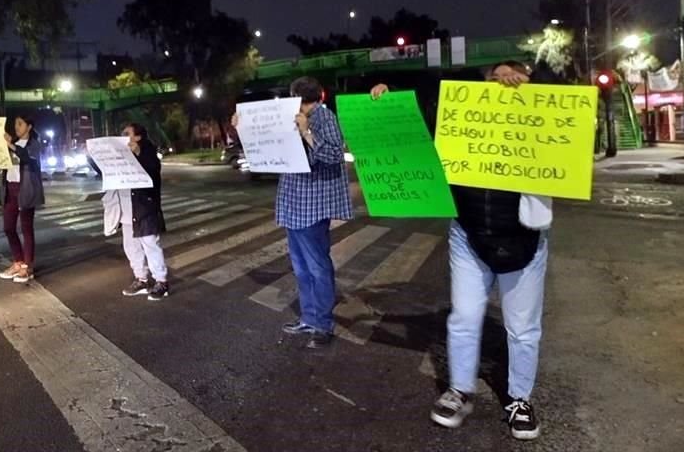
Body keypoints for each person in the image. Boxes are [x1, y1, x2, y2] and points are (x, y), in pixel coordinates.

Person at [371, 60, 550, 441]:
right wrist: (386, 106)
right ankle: (460, 390)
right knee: (465, 317)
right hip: (468, 235)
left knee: (522, 329)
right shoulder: (461, 122)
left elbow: (575, 112)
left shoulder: (542, 120)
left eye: (511, 76)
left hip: (524, 238)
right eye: (493, 77)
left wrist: (537, 88)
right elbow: (416, 134)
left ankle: (520, 399)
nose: (501, 82)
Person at [231, 76, 353, 349]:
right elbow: (269, 142)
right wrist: (243, 127)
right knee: (300, 267)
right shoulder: (291, 116)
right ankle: (309, 317)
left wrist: (308, 132)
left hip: (312, 204)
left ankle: (322, 323)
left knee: (317, 266)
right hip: (294, 202)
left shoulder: (324, 118)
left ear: (300, 98)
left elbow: (335, 155)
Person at [107, 123, 169, 301]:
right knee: (131, 246)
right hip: (127, 207)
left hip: (144, 207)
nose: (123, 136)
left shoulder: (148, 152)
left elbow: (152, 171)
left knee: (150, 243)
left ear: (138, 137)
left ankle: (161, 281)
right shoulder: (120, 153)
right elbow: (106, 172)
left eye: (127, 133)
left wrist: (138, 154)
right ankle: (141, 278)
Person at [0, 115, 45, 283]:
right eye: (15, 123)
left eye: (20, 124)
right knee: (8, 228)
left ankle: (28, 266)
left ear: (29, 126)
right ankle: (18, 261)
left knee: (26, 229)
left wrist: (10, 145)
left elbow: (27, 158)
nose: (17, 127)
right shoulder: (13, 144)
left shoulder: (34, 145)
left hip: (25, 189)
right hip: (10, 189)